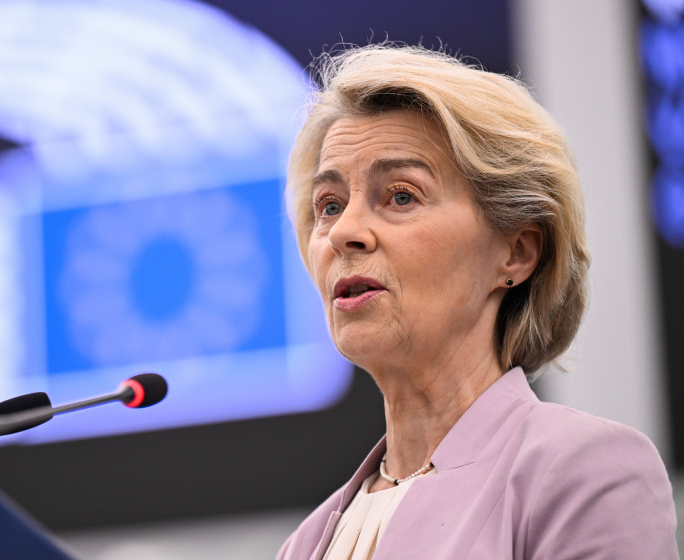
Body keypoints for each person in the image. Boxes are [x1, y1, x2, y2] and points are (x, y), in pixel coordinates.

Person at [277, 44, 678, 559]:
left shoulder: (583, 469)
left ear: (516, 252)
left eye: (401, 195)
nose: (344, 232)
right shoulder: (306, 544)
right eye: (329, 205)